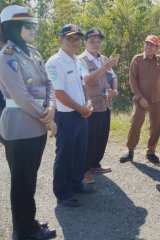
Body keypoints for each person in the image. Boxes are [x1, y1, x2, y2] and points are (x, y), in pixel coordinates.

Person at [0, 5, 57, 240]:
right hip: (20, 126)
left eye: (33, 25)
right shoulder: (6, 58)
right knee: (22, 183)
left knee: (30, 179)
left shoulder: (34, 53)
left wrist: (52, 107)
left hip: (36, 125)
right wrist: (49, 119)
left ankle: (29, 222)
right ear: (12, 28)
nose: (33, 29)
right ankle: (22, 232)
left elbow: (49, 83)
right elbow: (21, 97)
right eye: (27, 25)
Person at [46, 24, 94, 208]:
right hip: (66, 116)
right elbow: (58, 93)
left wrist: (88, 102)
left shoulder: (76, 60)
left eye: (77, 39)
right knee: (65, 155)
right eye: (70, 38)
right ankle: (63, 193)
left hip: (81, 113)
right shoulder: (55, 62)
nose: (75, 42)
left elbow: (83, 85)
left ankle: (76, 184)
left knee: (79, 152)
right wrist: (80, 109)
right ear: (61, 40)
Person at [119, 35, 160, 164]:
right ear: (144, 45)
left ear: (156, 48)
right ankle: (130, 151)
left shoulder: (159, 60)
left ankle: (151, 151)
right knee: (135, 123)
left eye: (152, 45)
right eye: (147, 44)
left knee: (156, 125)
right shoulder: (137, 59)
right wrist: (140, 97)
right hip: (140, 99)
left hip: (157, 99)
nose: (149, 47)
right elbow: (132, 80)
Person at [78, 29, 118, 184]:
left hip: (105, 104)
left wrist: (114, 90)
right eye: (92, 41)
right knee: (89, 139)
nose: (96, 44)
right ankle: (84, 170)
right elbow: (87, 80)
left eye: (98, 41)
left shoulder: (103, 58)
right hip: (91, 106)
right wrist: (104, 68)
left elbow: (113, 76)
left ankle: (95, 165)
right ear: (85, 43)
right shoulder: (81, 60)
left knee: (102, 137)